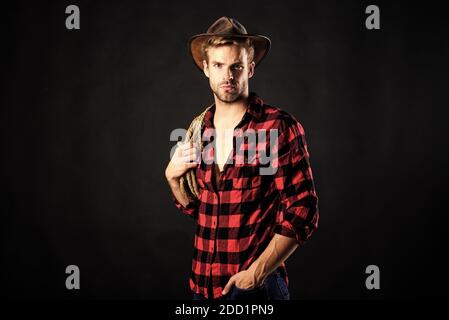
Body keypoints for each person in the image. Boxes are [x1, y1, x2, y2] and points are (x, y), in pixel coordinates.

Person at [165, 16, 319, 300]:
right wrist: (173, 180)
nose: (228, 75)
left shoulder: (277, 127)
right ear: (206, 69)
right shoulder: (200, 131)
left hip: (254, 289)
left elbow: (303, 210)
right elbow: (205, 213)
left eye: (236, 66)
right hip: (202, 287)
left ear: (250, 68)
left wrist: (256, 273)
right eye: (219, 66)